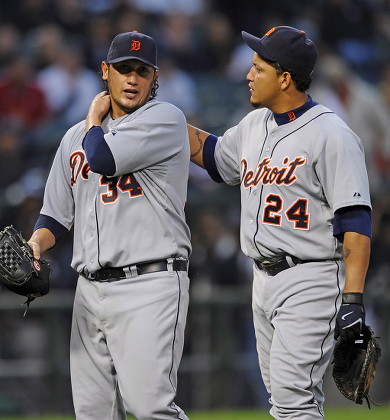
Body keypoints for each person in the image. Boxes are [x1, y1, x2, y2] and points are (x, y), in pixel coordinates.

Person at [187, 26, 372, 419]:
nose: (248, 75)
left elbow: (355, 221)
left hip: (312, 278)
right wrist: (162, 120)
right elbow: (213, 155)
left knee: (292, 401)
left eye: (258, 67)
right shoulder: (255, 125)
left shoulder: (332, 134)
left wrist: (353, 300)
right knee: (287, 400)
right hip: (262, 280)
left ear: (285, 77)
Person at [27, 31, 192, 420]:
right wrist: (36, 242)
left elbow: (102, 158)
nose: (132, 79)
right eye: (123, 70)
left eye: (142, 71)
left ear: (155, 78)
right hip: (89, 291)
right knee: (93, 414)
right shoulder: (74, 138)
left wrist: (91, 119)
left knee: (150, 408)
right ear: (106, 72)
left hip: (150, 284)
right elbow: (55, 215)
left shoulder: (165, 119)